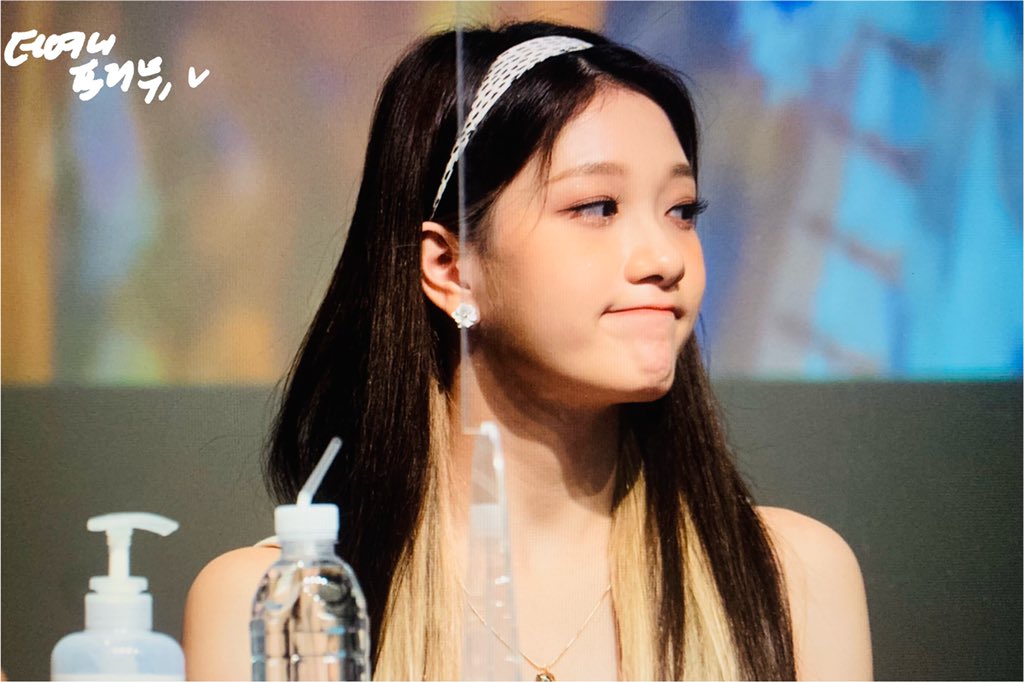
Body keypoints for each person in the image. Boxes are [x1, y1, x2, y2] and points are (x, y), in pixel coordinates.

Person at [183, 21, 872, 681]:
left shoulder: (793, 578)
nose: (665, 258)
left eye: (681, 211)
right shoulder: (282, 607)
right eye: (597, 207)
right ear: (449, 266)